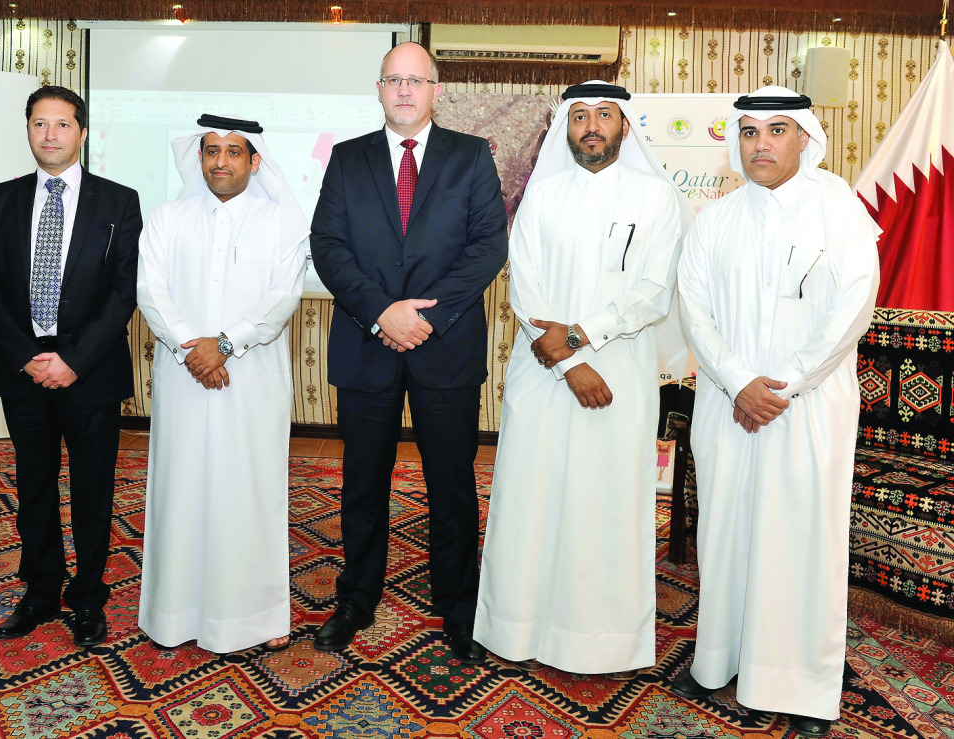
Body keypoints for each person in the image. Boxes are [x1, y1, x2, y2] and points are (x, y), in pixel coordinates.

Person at [672, 86, 880, 737]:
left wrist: (781, 386)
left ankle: (803, 685)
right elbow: (695, 309)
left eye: (777, 130)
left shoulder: (839, 209)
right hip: (729, 407)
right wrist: (740, 383)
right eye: (751, 132)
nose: (762, 144)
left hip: (806, 409)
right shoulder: (715, 219)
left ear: (804, 138)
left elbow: (853, 307)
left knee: (801, 541)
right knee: (727, 533)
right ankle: (720, 660)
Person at [474, 82, 686, 676]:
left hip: (620, 372)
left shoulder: (657, 199)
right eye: (580, 117)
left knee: (607, 502)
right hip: (544, 373)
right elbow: (526, 290)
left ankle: (603, 642)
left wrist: (580, 335)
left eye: (604, 116)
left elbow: (652, 291)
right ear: (565, 127)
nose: (591, 126)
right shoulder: (542, 198)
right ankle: (515, 630)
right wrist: (571, 360)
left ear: (624, 126)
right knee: (531, 497)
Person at [310, 41, 509, 663]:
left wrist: (425, 316)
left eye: (415, 81)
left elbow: (488, 246)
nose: (404, 91)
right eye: (393, 80)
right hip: (367, 344)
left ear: (435, 89)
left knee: (450, 483)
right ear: (378, 89)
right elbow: (328, 244)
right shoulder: (346, 159)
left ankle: (456, 604)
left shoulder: (472, 156)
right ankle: (357, 596)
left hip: (443, 345)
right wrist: (380, 313)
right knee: (362, 482)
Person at [0, 85, 142, 648]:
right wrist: (26, 356)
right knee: (35, 486)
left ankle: (89, 596)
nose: (50, 134)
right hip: (24, 370)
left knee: (93, 491)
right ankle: (41, 590)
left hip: (89, 371)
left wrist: (72, 359)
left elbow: (124, 293)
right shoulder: (1, 198)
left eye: (62, 124)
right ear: (27, 131)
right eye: (39, 124)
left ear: (82, 132)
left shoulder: (119, 201)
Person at [135, 114, 308, 653]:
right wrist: (194, 347)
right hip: (184, 373)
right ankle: (174, 614)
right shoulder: (168, 217)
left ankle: (255, 616)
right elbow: (151, 291)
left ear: (254, 162)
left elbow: (282, 298)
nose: (221, 161)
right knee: (181, 487)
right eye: (212, 151)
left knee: (249, 491)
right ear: (200, 158)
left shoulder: (282, 222)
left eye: (234, 152)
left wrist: (225, 344)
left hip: (251, 377)